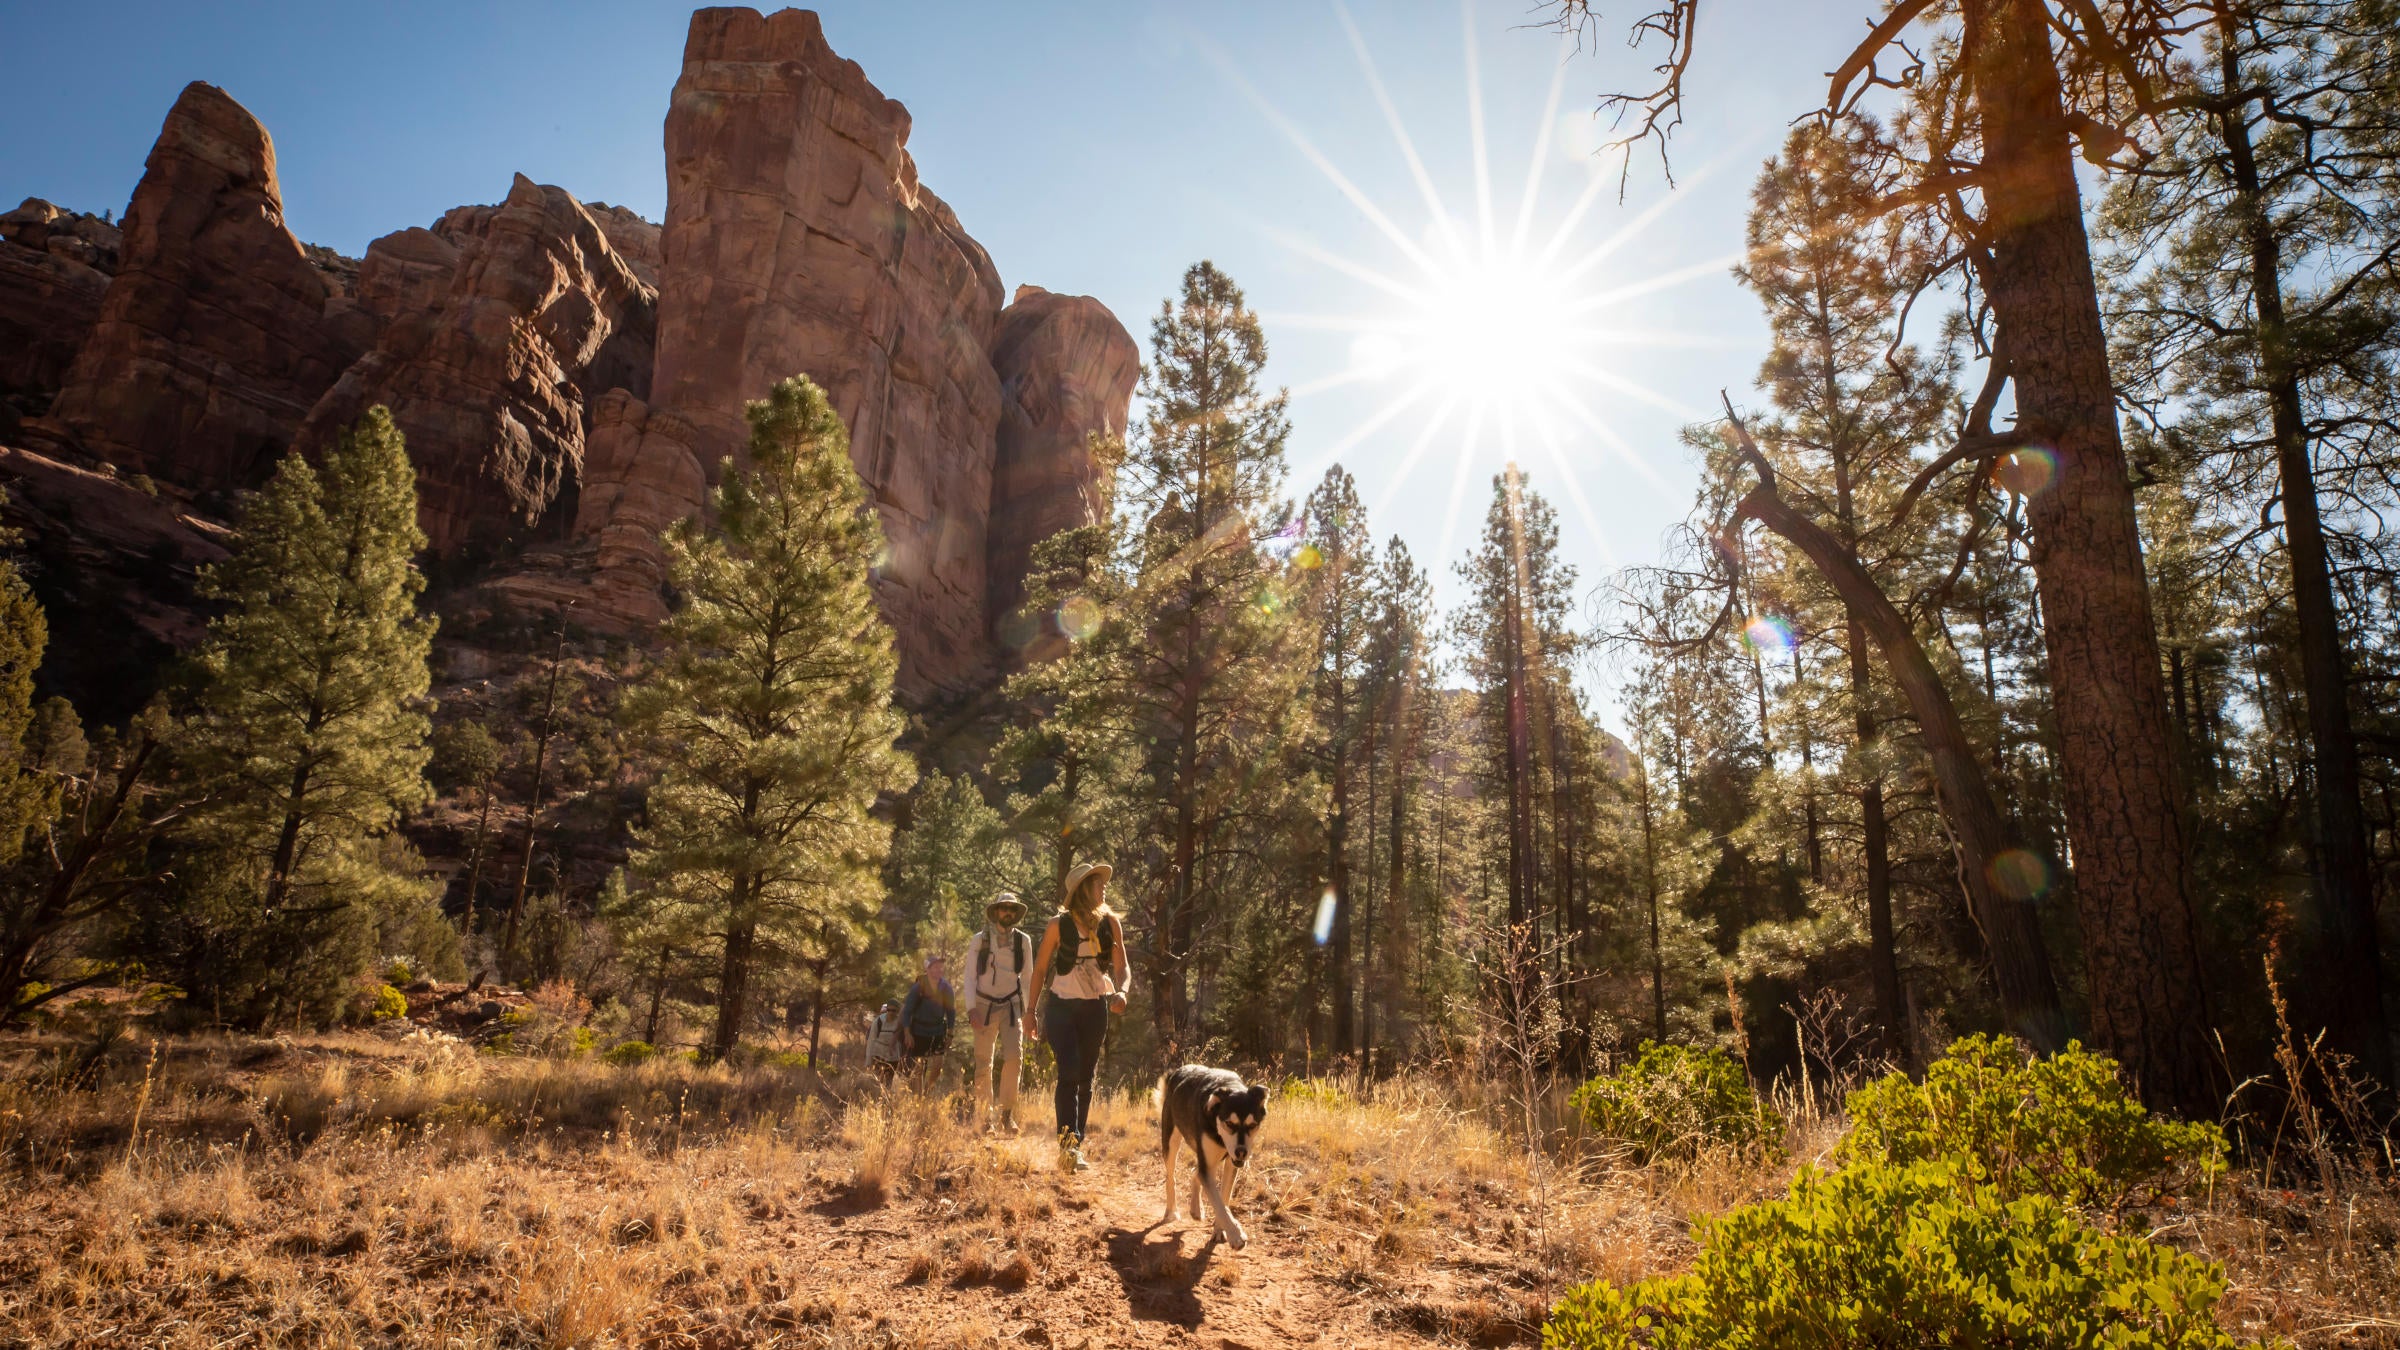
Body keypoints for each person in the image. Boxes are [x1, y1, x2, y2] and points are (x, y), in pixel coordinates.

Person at [1026, 860, 1129, 1173]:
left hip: (1094, 1007)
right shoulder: (1059, 925)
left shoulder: (1110, 923)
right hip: (1061, 1006)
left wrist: (1122, 991)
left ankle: (1076, 1146)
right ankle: (1068, 1148)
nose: (1104, 887)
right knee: (1069, 1071)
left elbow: (1122, 965)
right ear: (1084, 889)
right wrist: (1030, 1012)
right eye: (1098, 883)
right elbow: (1041, 969)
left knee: (1086, 1076)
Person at [965, 891, 1034, 1133]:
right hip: (983, 1006)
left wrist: (1029, 1012)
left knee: (1014, 1058)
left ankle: (1006, 1115)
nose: (1008, 912)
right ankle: (984, 1119)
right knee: (984, 1062)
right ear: (995, 911)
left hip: (1012, 1005)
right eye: (1004, 908)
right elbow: (970, 977)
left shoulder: (1023, 941)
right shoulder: (980, 940)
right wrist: (971, 1007)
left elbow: (1027, 978)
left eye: (1012, 909)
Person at [899, 954, 956, 1079]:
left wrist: (950, 1033)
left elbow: (951, 1012)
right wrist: (907, 1033)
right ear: (928, 969)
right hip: (919, 1031)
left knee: (938, 1065)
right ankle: (918, 1097)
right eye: (935, 967)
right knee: (919, 1068)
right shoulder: (918, 987)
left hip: (938, 1031)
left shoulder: (946, 988)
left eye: (941, 967)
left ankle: (927, 1092)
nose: (939, 969)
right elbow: (907, 1011)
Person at [864, 1000, 904, 1085]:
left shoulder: (900, 1023)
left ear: (897, 1011)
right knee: (877, 1081)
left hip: (893, 1056)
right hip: (878, 1054)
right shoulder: (878, 1021)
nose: (891, 1013)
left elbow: (902, 1043)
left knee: (888, 1082)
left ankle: (885, 1097)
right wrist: (868, 1061)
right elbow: (871, 1040)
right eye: (889, 1010)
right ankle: (876, 1096)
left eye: (894, 1011)